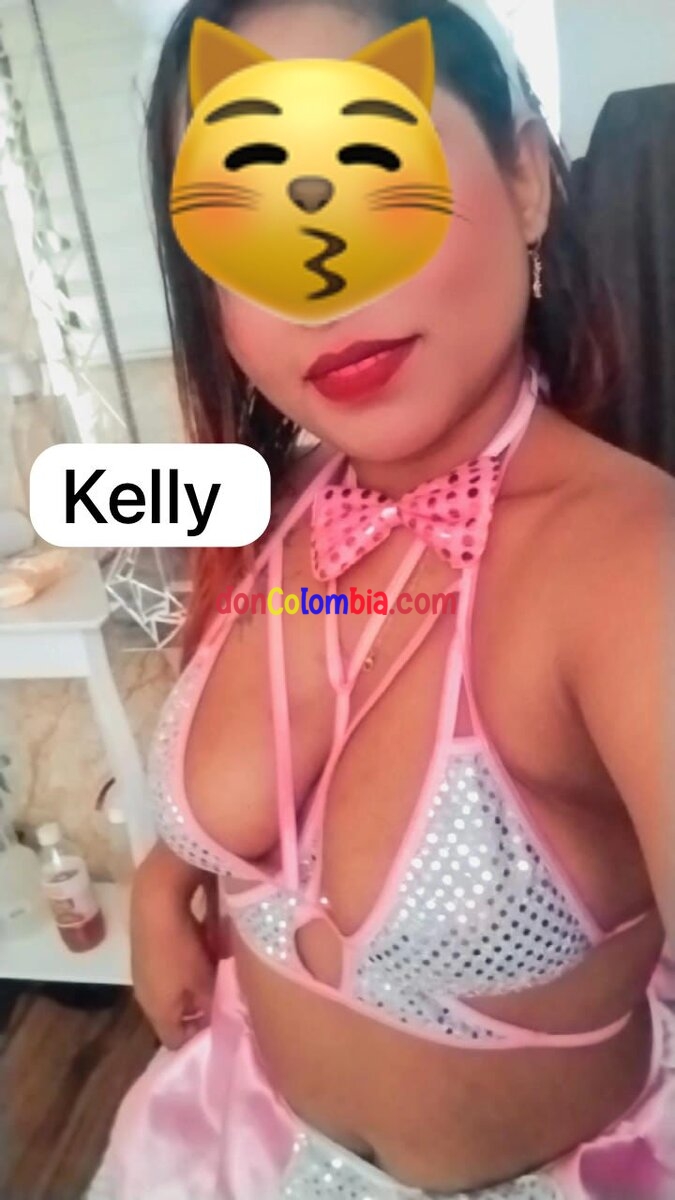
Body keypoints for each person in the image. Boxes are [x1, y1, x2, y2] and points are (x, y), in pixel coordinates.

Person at [88, 1, 675, 1196]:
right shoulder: (266, 505)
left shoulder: (632, 570)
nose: (319, 285)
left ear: (524, 181)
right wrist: (164, 880)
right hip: (220, 1139)